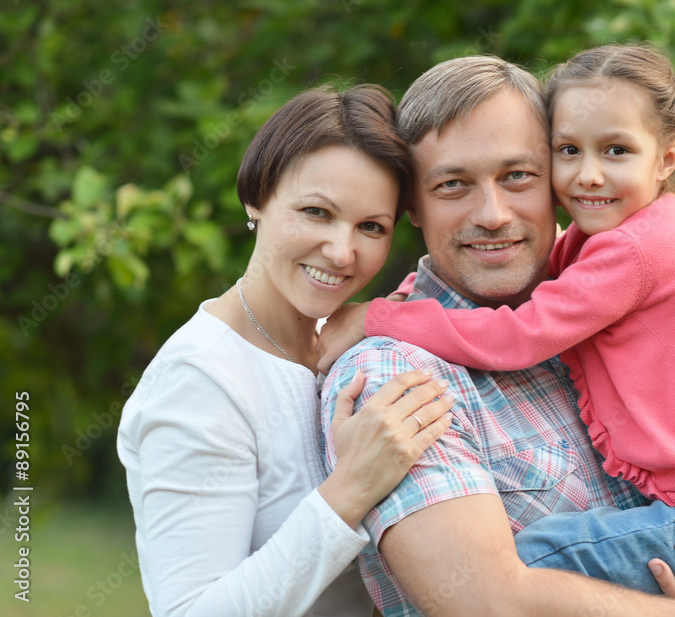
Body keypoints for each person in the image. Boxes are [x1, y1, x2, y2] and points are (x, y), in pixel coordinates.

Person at [317, 55, 675, 616]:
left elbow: (520, 331)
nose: (494, 215)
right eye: (453, 184)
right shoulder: (396, 375)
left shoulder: (586, 297)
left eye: (518, 175)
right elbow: (487, 605)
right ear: (411, 203)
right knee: (527, 567)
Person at [117, 84, 454, 616]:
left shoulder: (346, 342)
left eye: (371, 227)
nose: (343, 252)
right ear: (258, 195)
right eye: (317, 212)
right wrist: (350, 489)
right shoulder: (202, 379)